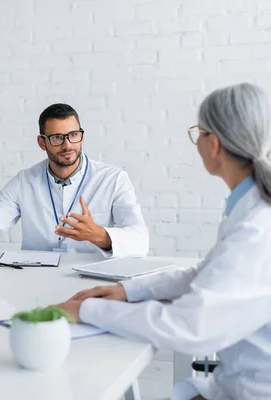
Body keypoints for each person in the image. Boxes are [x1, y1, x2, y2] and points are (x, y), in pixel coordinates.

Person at [57, 83, 271, 400]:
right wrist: (128, 291)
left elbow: (189, 327)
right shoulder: (250, 209)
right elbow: (205, 273)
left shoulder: (257, 229)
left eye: (198, 133)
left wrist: (87, 311)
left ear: (213, 143)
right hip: (238, 381)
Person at [0, 103, 149, 258]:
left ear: (82, 136)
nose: (67, 145)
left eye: (73, 135)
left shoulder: (113, 179)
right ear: (42, 143)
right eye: (56, 138)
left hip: (93, 281)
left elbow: (140, 240)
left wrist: (98, 235)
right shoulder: (24, 181)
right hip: (38, 277)